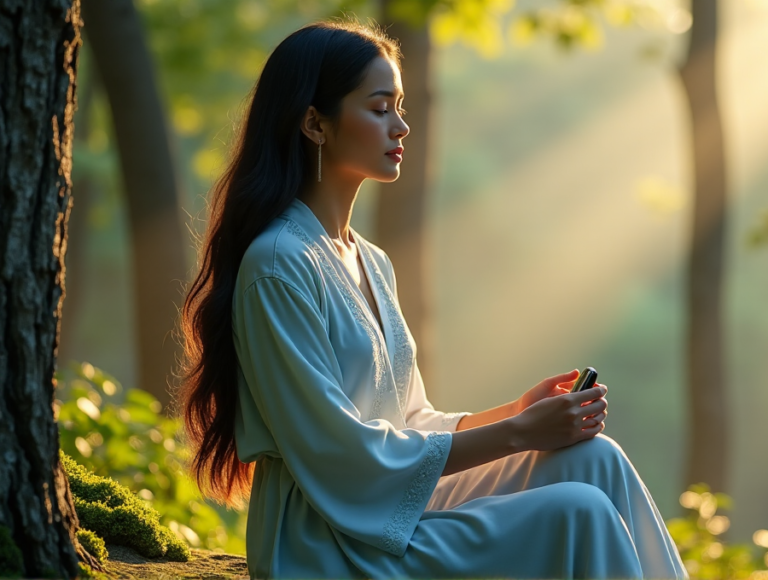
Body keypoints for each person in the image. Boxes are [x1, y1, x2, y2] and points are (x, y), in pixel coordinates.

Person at [179, 19, 687, 579]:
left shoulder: (370, 260)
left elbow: (411, 419)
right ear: (314, 123)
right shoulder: (278, 265)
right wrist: (520, 434)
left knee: (595, 461)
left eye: (399, 106)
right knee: (580, 511)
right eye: (379, 108)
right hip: (325, 544)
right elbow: (340, 455)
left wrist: (516, 413)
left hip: (390, 512)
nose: (401, 126)